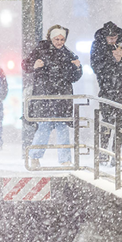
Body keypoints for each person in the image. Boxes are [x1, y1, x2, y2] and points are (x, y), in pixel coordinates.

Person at [22, 24, 83, 168]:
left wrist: (78, 68)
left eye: (62, 39)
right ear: (51, 38)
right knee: (45, 127)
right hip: (45, 96)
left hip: (61, 97)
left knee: (62, 128)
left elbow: (74, 77)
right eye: (57, 39)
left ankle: (64, 160)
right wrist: (34, 65)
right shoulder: (41, 50)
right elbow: (25, 65)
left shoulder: (69, 54)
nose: (59, 42)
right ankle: (35, 157)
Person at [90, 21, 122, 161]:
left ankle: (116, 152)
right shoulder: (98, 44)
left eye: (115, 37)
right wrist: (113, 59)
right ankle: (103, 151)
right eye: (110, 38)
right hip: (106, 88)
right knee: (107, 120)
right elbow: (96, 66)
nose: (113, 40)